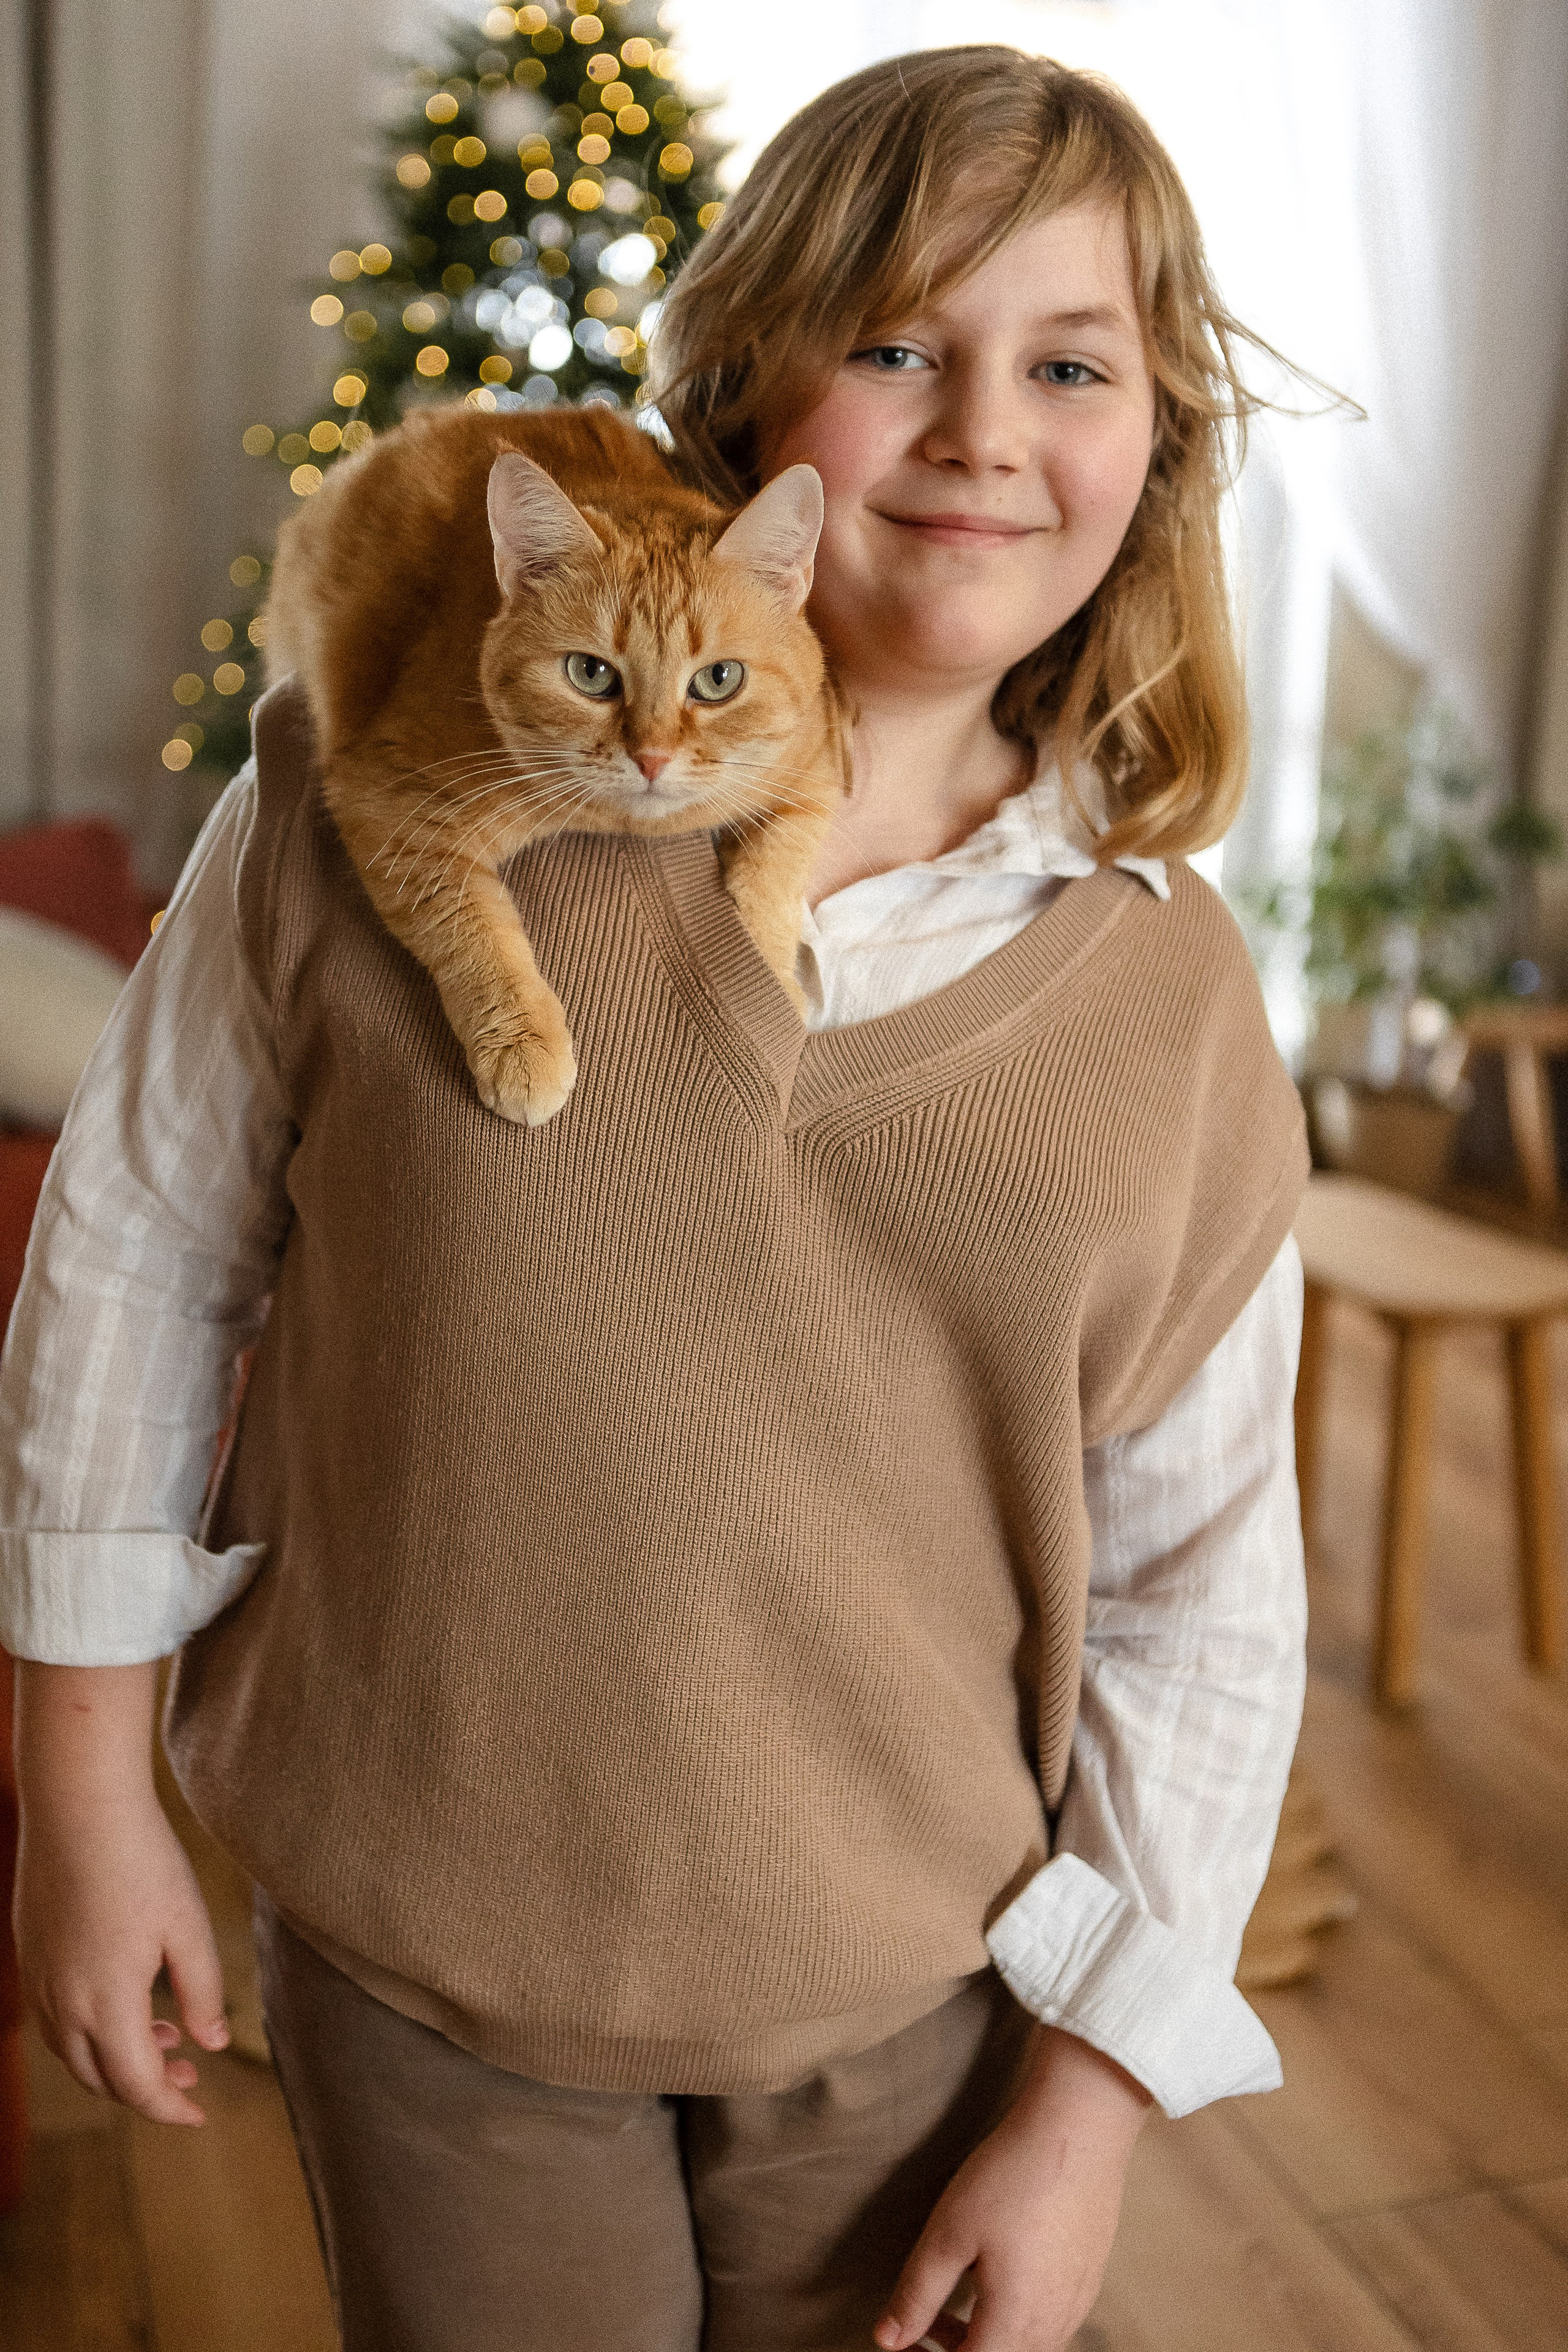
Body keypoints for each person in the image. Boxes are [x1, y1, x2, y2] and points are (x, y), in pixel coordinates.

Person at [1, 47, 1310, 2352]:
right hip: (427, 1959)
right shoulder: (358, 796)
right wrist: (82, 1792)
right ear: (743, 387)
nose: (982, 427)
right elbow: (137, 1255)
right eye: (898, 344)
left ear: (1152, 451)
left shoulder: (1173, 1001)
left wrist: (1086, 2102)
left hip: (913, 1986)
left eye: (1069, 363)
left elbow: (1200, 1593)